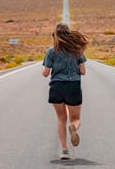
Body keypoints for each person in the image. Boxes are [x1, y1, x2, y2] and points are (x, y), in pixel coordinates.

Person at [42, 23, 88, 160]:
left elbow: (45, 73)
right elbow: (83, 71)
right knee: (76, 119)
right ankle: (73, 127)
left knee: (61, 119)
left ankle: (64, 151)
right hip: (73, 86)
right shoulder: (77, 50)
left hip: (56, 87)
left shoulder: (51, 51)